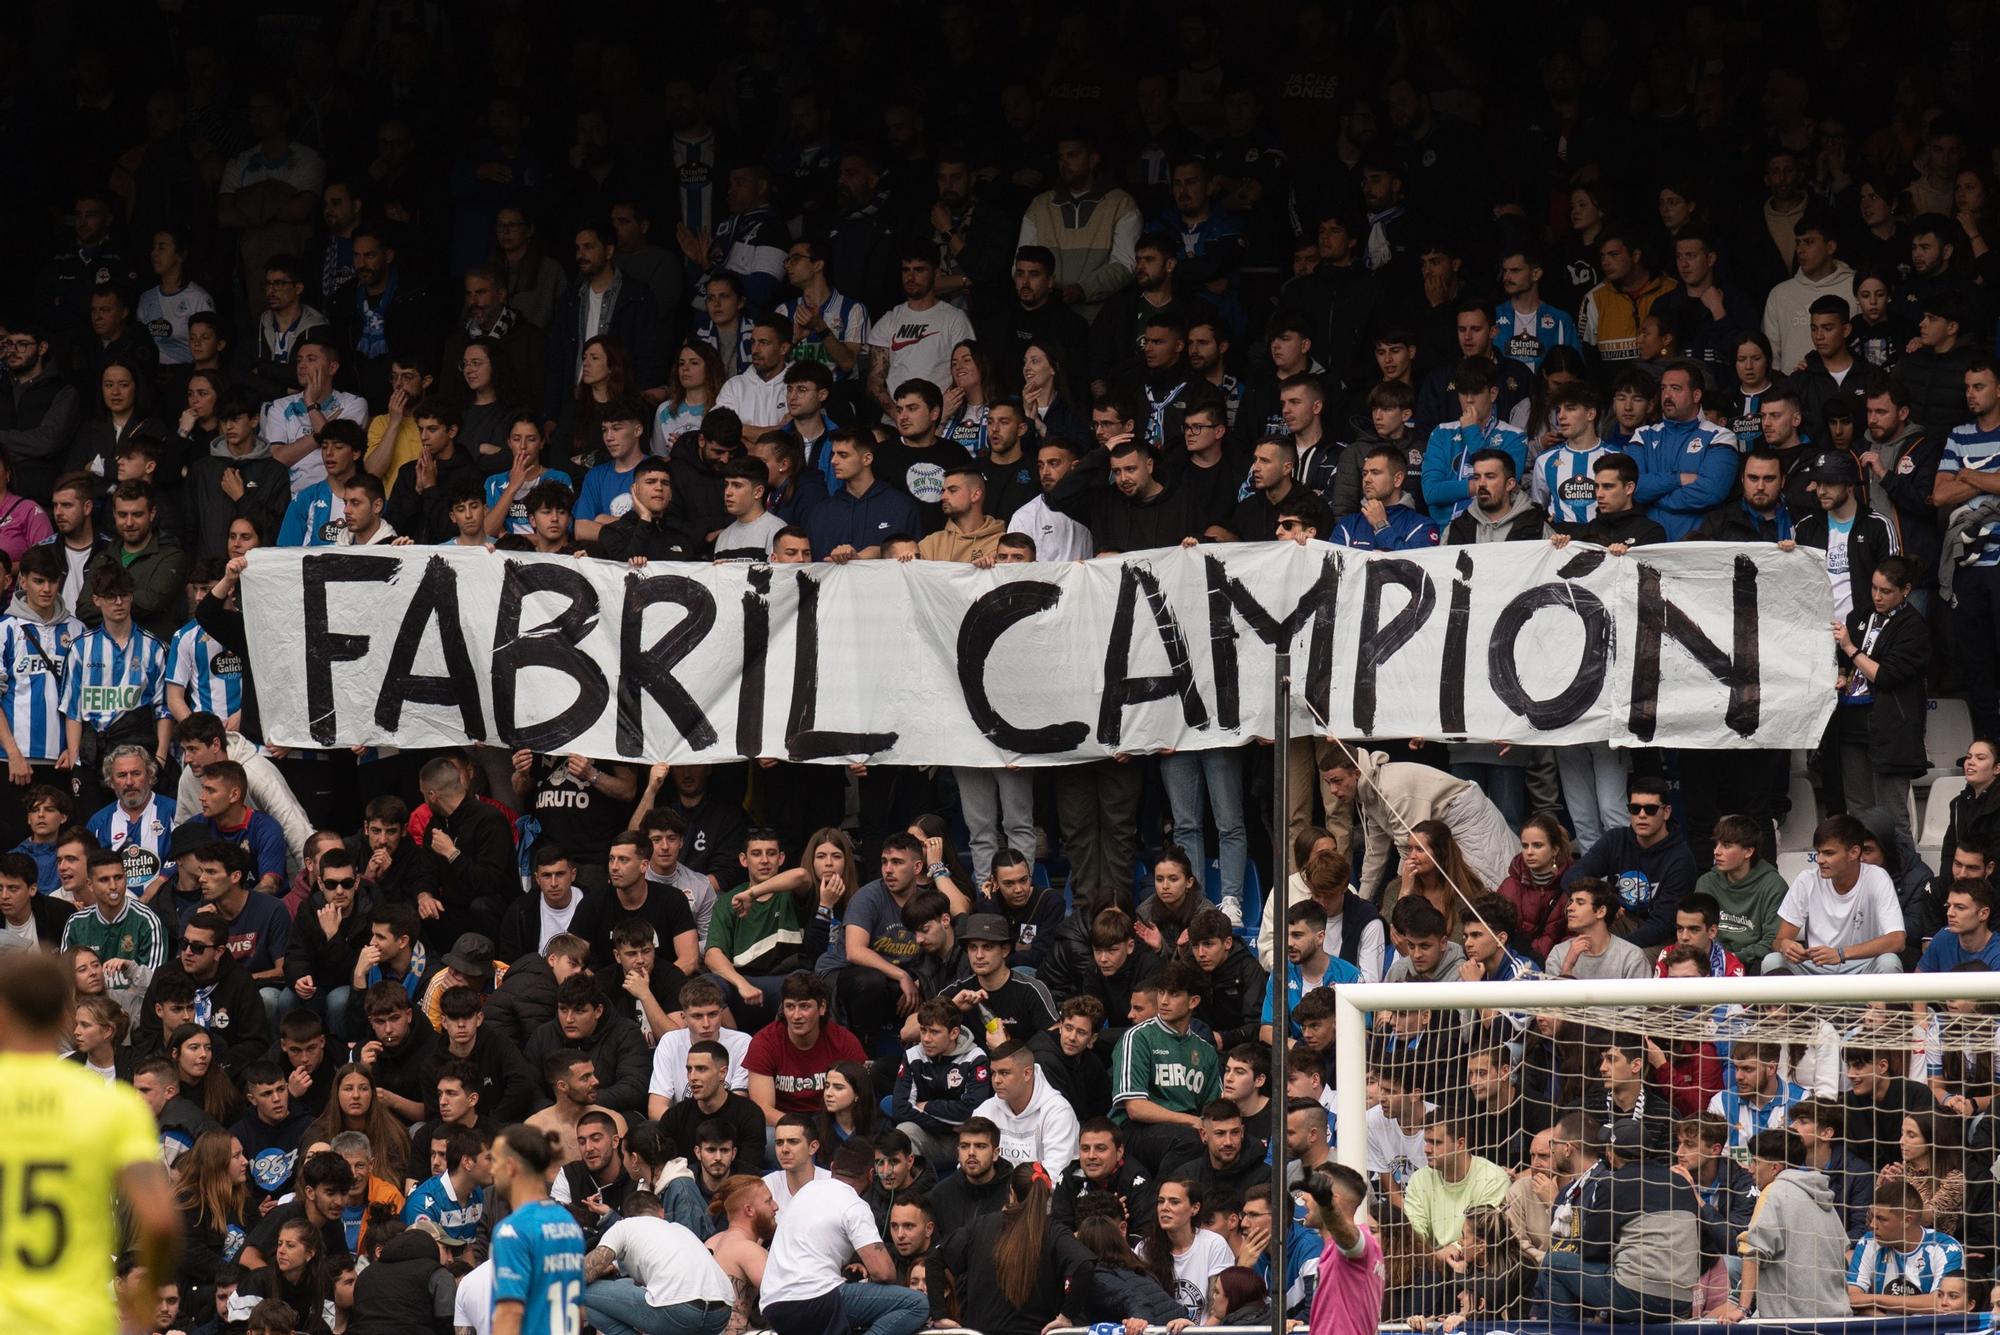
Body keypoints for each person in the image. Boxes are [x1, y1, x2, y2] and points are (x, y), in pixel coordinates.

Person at [0, 951, 179, 1332]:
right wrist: (144, 1301)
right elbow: (160, 1219)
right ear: (62, 1018)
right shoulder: (115, 1104)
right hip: (80, 1317)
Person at [758, 1135, 927, 1335]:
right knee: (917, 1304)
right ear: (871, 1174)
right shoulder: (853, 1204)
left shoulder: (805, 1192)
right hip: (817, 1298)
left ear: (832, 1167)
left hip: (773, 1305)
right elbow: (884, 1272)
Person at [941, 1160, 1095, 1335]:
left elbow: (936, 1258)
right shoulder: (1055, 1232)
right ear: (1046, 1195)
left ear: (1011, 1194)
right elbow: (1084, 1265)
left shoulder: (982, 1225)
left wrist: (939, 1314)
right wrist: (1066, 1316)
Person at [1767, 815, 1907, 975]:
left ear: (1854, 852)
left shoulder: (1877, 877)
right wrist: (1785, 945)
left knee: (1889, 962)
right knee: (1772, 961)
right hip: (1816, 966)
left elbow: (1897, 940)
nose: (1819, 860)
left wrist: (1840, 953)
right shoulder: (1806, 880)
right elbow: (1779, 940)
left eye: (1828, 853)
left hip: (1862, 966)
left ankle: (1874, 1001)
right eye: (1818, 852)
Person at [581, 1193, 736, 1335]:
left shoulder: (624, 1226)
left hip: (678, 1311)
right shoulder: (681, 1229)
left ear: (627, 1216)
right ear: (662, 1212)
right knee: (630, 1284)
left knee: (577, 1290)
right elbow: (611, 1268)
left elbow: (591, 1269)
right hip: (721, 1314)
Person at [489, 1123, 588, 1335]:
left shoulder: (511, 1231)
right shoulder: (569, 1223)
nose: (491, 1170)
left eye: (494, 1161)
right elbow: (579, 1312)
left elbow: (510, 1314)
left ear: (510, 1166)